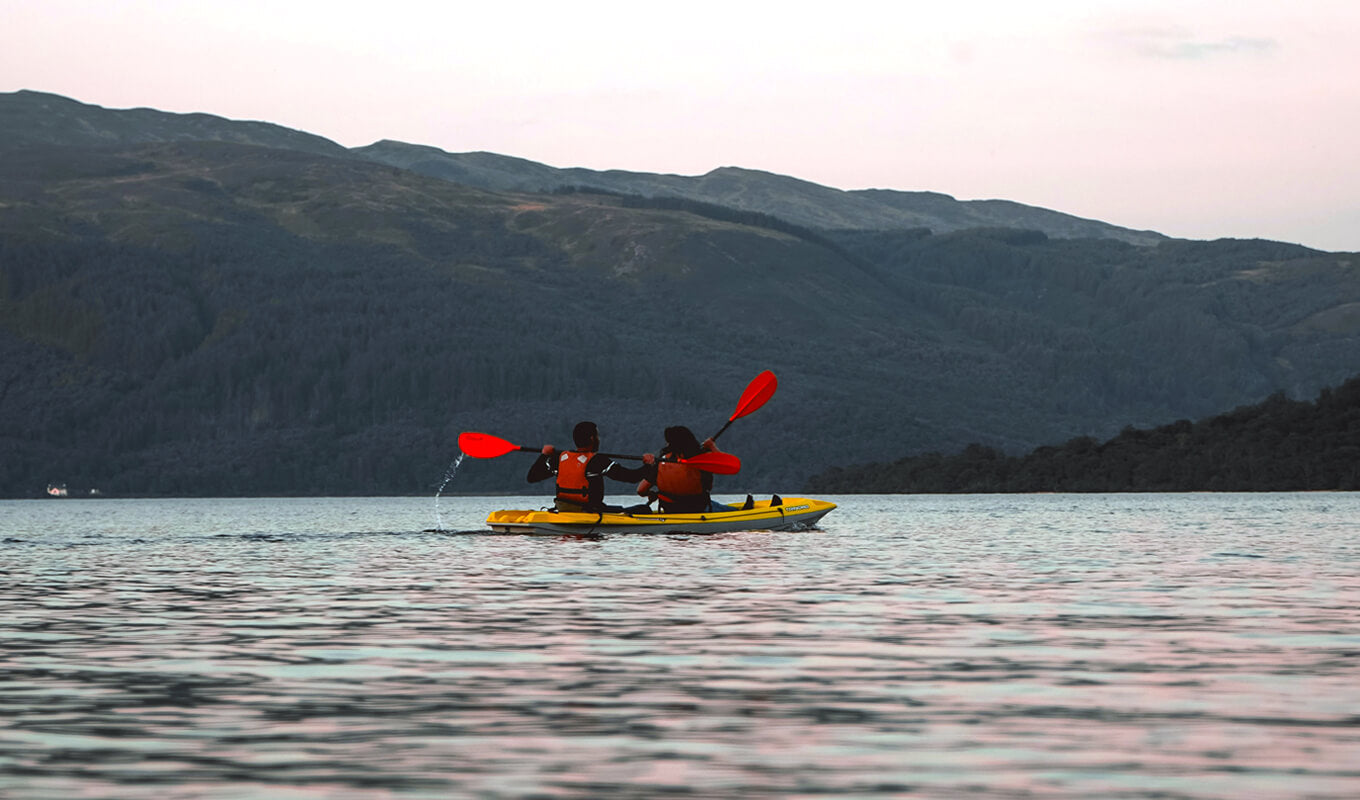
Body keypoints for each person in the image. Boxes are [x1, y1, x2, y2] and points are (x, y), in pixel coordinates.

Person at [526, 421, 654, 513]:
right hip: (591, 511)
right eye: (598, 436)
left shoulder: (558, 459)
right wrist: (648, 465)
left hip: (563, 509)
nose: (599, 439)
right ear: (592, 439)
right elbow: (631, 477)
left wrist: (544, 456)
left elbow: (532, 477)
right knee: (643, 509)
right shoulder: (597, 461)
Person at [635, 425, 737, 513]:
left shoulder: (660, 463)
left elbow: (641, 490)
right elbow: (724, 463)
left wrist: (652, 494)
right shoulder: (700, 461)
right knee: (734, 511)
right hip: (699, 509)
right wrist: (712, 447)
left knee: (717, 505)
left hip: (670, 510)